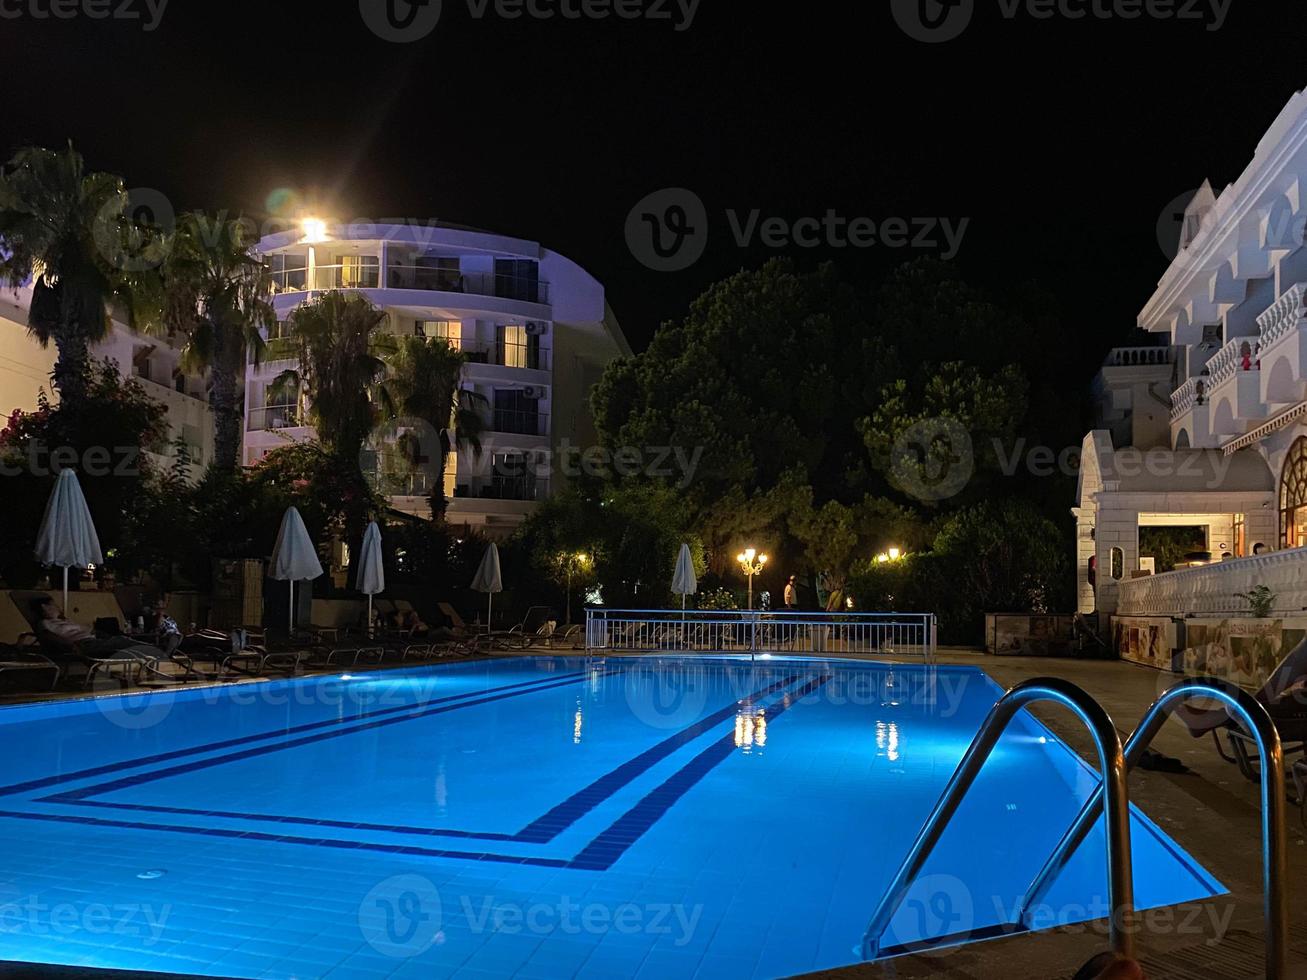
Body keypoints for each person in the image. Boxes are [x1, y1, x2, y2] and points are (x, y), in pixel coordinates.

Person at [33, 598, 162, 662]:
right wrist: (70, 645)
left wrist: (100, 634)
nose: (50, 608)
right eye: (45, 607)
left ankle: (155, 650)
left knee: (121, 641)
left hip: (92, 640)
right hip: (82, 645)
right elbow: (48, 636)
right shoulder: (44, 623)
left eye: (51, 606)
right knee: (121, 642)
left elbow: (90, 630)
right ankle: (157, 650)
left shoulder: (66, 621)